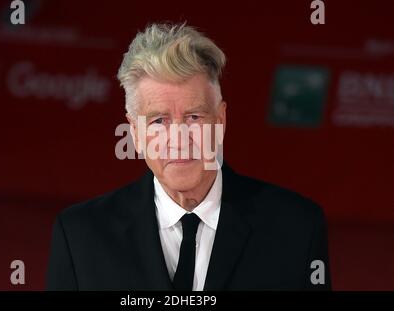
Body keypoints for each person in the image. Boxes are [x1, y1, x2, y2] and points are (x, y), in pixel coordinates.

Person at [46, 22, 331, 291]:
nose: (179, 139)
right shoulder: (79, 237)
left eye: (193, 116)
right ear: (135, 131)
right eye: (159, 121)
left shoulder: (297, 230)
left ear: (220, 121)